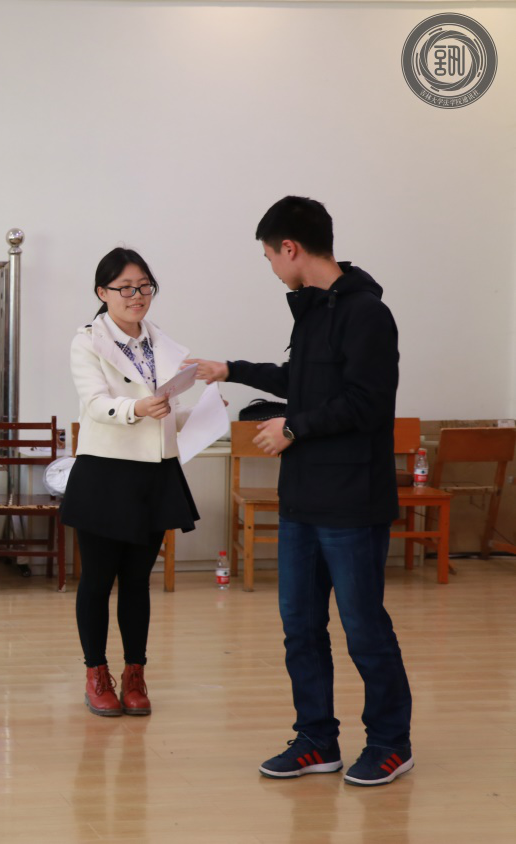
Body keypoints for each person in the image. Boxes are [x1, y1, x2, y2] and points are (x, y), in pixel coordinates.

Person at [187, 195, 413, 786]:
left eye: (269, 256)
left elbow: (367, 402)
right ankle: (317, 739)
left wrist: (293, 428)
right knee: (301, 628)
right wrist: (231, 369)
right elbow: (301, 382)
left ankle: (391, 741)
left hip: (352, 502)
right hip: (303, 500)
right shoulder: (312, 311)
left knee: (363, 628)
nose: (270, 267)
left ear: (290, 248)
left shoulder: (366, 313)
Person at [62, 247, 199, 717]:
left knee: (138, 581)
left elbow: (167, 410)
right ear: (102, 293)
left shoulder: (163, 344)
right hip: (105, 470)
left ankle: (135, 674)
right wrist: (136, 408)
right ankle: (96, 674)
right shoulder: (87, 342)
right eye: (124, 288)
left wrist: (199, 415)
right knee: (98, 580)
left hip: (154, 471)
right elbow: (95, 403)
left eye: (144, 286)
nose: (136, 295)